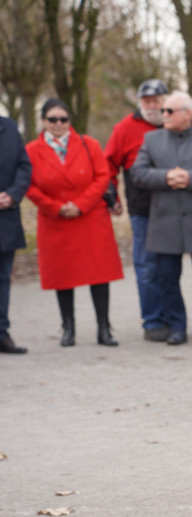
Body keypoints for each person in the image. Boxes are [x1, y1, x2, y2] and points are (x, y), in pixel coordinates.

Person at [25, 98, 124, 347]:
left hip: (90, 217)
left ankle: (104, 327)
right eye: (52, 119)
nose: (58, 124)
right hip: (55, 220)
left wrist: (81, 205)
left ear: (70, 121)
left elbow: (103, 176)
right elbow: (29, 185)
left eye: (63, 119)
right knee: (63, 275)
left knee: (99, 273)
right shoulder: (32, 151)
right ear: (43, 121)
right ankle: (68, 327)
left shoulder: (88, 144)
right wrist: (56, 207)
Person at [130, 91, 192, 346]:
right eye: (164, 111)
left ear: (188, 114)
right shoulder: (151, 139)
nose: (164, 115)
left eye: (170, 111)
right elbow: (137, 173)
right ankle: (177, 327)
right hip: (164, 223)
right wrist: (165, 178)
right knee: (167, 279)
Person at [104, 78, 168, 341]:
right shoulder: (125, 128)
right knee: (147, 265)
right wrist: (112, 197)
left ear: (165, 100)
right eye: (147, 101)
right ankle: (152, 321)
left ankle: (172, 318)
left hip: (174, 206)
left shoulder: (174, 121)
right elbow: (108, 165)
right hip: (142, 208)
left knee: (170, 265)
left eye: (156, 100)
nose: (152, 106)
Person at [0, 114, 32, 354]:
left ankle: (1, 334)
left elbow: (24, 166)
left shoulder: (9, 128)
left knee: (2, 280)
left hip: (5, 217)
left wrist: (12, 194)